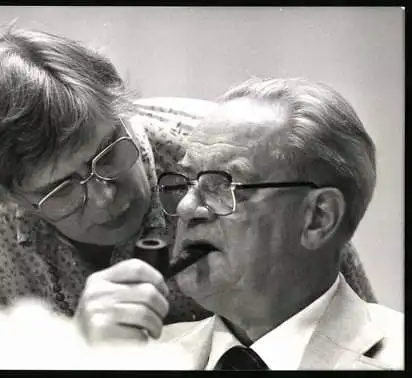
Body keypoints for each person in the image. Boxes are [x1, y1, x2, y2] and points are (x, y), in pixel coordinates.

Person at [0, 25, 376, 369]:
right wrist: (72, 355)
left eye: (108, 152)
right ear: (12, 201)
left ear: (123, 109)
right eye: (61, 190)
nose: (105, 196)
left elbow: (363, 342)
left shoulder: (235, 158)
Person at [77, 78, 403, 370]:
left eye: (224, 185)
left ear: (318, 218)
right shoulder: (135, 357)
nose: (188, 207)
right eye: (184, 182)